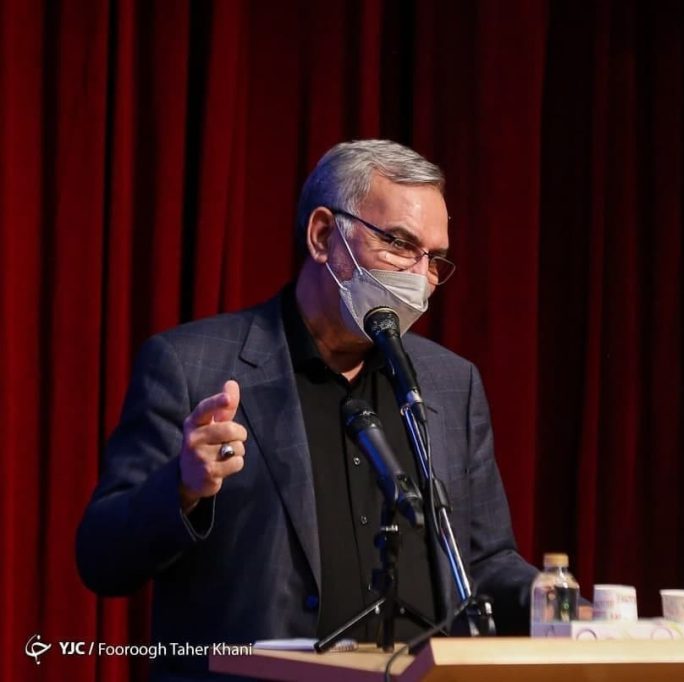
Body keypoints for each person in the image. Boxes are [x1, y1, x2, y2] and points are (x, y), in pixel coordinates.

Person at [76, 140, 538, 680]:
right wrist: (182, 487)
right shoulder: (191, 367)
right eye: (399, 243)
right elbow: (102, 558)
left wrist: (556, 600)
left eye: (433, 259)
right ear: (323, 235)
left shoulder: (450, 383)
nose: (419, 275)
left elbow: (481, 561)